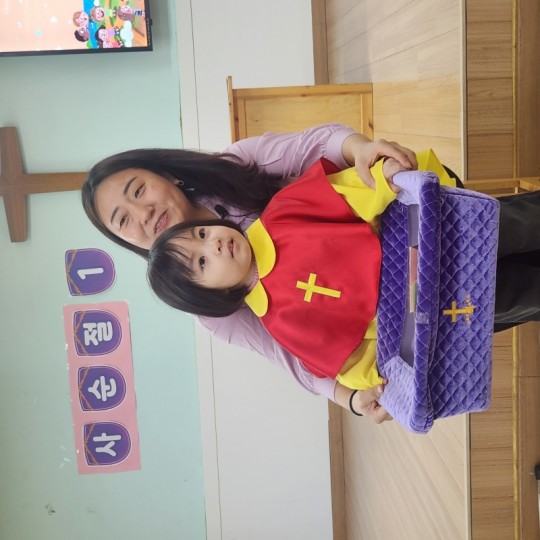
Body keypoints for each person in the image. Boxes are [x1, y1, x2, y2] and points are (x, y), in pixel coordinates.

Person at [81, 123, 540, 419]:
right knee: (507, 297)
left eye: (138, 190)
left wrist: (368, 159)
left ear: (164, 174)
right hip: (424, 310)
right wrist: (359, 393)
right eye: (123, 220)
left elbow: (321, 153)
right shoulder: (240, 314)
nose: (143, 213)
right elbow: (308, 357)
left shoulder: (254, 188)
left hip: (419, 228)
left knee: (516, 228)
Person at [145, 151, 460, 393]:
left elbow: (346, 192)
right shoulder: (279, 324)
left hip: (424, 240)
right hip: (421, 316)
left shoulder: (280, 213)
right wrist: (378, 378)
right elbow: (344, 357)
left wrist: (382, 178)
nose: (212, 244)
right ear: (212, 295)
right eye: (202, 263)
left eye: (201, 233)